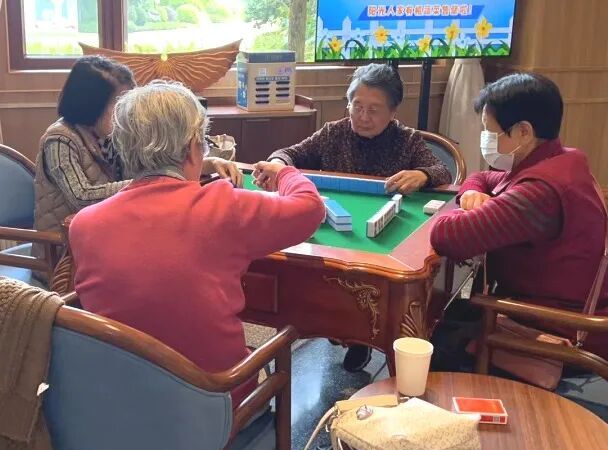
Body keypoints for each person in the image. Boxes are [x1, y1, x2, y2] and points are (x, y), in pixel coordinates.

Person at [69, 80, 326, 406]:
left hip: (120, 407)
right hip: (213, 407)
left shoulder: (84, 224)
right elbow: (311, 209)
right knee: (278, 342)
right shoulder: (223, 207)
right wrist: (283, 172)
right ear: (193, 148)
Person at [259, 63, 452, 372]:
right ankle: (345, 329)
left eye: (374, 110)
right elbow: (289, 153)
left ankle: (364, 337)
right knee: (317, 288)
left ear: (393, 112)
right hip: (337, 232)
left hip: (388, 233)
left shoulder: (407, 140)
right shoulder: (333, 133)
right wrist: (277, 164)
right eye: (357, 106)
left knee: (378, 294)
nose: (363, 117)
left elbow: (442, 171)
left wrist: (422, 174)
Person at [430, 73, 607, 357]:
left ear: (524, 132)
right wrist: (471, 192)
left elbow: (446, 235)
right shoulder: (563, 159)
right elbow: (481, 176)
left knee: (432, 340)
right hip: (548, 305)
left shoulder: (540, 193)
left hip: (555, 330)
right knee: (449, 315)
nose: (486, 140)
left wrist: (474, 209)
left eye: (490, 132)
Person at [34, 56, 241, 238]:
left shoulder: (108, 133)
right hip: (65, 247)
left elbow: (153, 167)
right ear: (92, 104)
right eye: (120, 103)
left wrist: (209, 163)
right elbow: (82, 197)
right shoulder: (59, 140)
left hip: (108, 231)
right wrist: (147, 183)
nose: (128, 111)